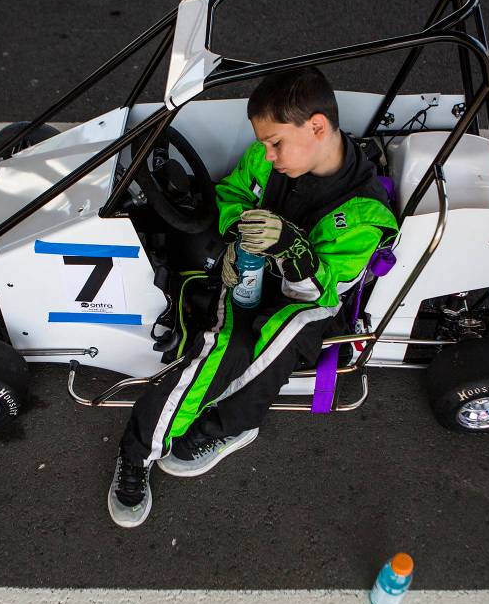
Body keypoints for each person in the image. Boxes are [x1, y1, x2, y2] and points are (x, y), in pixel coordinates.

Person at [108, 67, 398, 528]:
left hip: (303, 304)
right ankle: (144, 450)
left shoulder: (363, 214)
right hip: (248, 280)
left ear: (317, 127)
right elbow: (229, 192)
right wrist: (236, 236)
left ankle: (206, 433)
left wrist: (291, 247)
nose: (266, 153)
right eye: (263, 142)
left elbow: (319, 292)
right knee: (225, 346)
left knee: (278, 336)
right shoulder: (272, 159)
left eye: (275, 142)